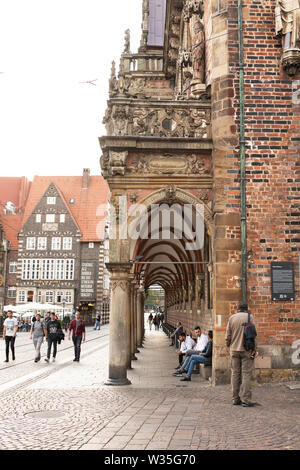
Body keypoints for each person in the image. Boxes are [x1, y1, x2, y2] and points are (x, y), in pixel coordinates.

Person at [226, 301, 257, 407]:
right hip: (247, 350)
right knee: (246, 374)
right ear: (247, 308)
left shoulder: (232, 318)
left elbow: (227, 336)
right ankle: (246, 399)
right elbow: (253, 335)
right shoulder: (250, 317)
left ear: (237, 308)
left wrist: (228, 346)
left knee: (235, 374)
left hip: (234, 350)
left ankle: (235, 398)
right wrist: (254, 349)